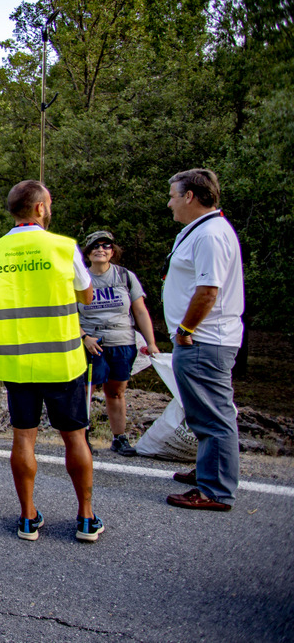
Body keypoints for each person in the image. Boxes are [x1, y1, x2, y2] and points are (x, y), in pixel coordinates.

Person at [0, 180, 103, 542]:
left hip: (16, 362)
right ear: (41, 208)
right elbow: (87, 296)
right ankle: (86, 518)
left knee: (23, 439)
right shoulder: (63, 247)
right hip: (62, 360)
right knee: (76, 438)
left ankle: (28, 518)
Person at [163, 169, 244, 512]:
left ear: (190, 197)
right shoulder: (198, 231)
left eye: (172, 196)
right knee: (202, 413)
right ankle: (208, 471)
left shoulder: (210, 235)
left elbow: (208, 291)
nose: (170, 203)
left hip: (203, 340)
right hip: (202, 340)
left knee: (213, 416)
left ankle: (215, 490)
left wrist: (185, 331)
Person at [77, 230, 160, 456]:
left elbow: (140, 311)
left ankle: (119, 438)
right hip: (91, 343)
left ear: (113, 252)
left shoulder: (125, 276)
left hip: (123, 341)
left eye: (105, 246)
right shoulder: (80, 278)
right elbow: (67, 313)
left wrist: (151, 342)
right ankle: (82, 437)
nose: (100, 250)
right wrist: (84, 337)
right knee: (86, 391)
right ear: (87, 252)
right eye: (95, 246)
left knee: (116, 392)